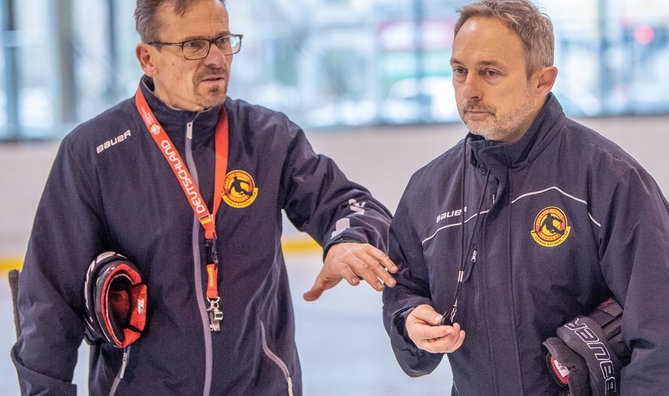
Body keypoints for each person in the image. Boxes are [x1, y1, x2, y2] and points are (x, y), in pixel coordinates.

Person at [11, 0, 397, 394]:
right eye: (194, 44)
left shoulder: (268, 137)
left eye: (223, 40)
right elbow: (49, 297)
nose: (216, 58)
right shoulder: (95, 152)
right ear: (148, 58)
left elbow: (346, 203)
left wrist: (349, 239)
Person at [382, 0, 669, 395]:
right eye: (460, 71)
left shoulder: (610, 180)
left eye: (490, 72)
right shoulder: (428, 192)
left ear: (542, 80)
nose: (470, 90)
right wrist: (410, 318)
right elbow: (404, 288)